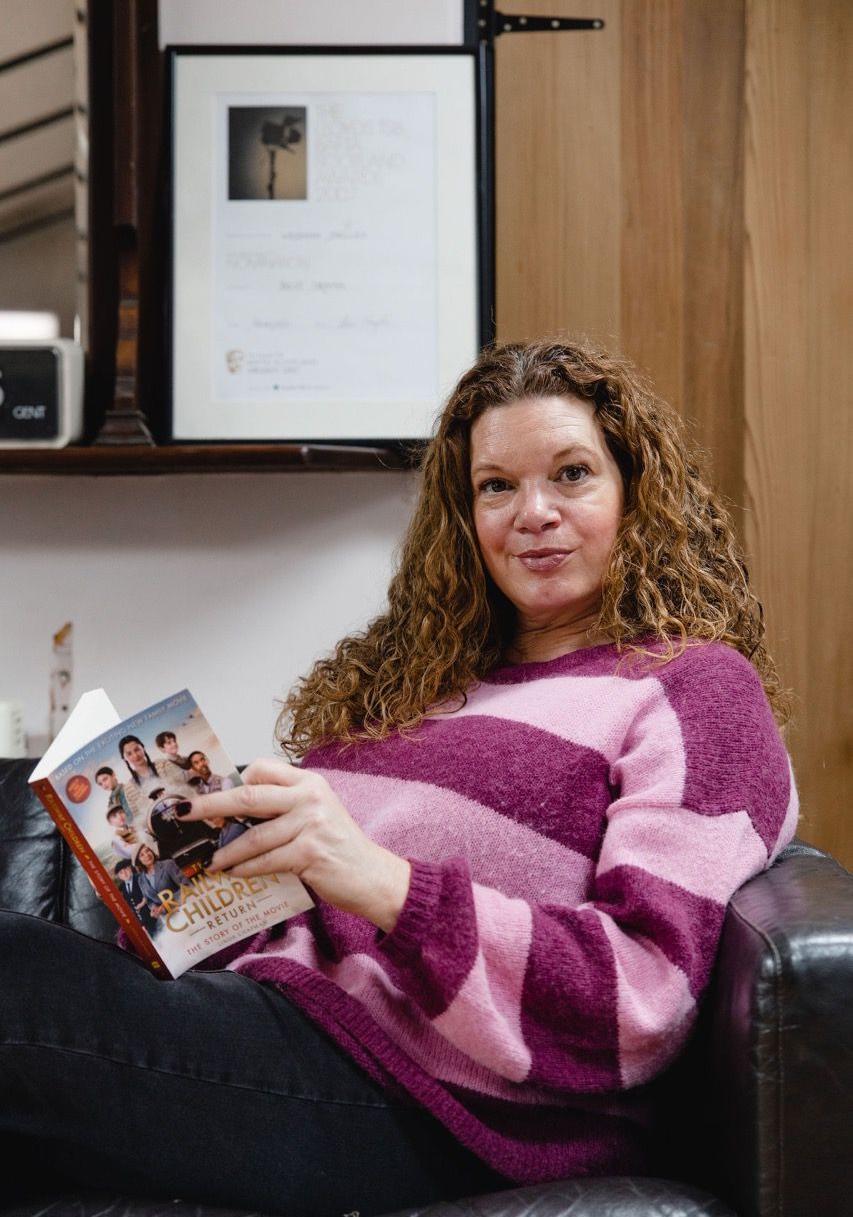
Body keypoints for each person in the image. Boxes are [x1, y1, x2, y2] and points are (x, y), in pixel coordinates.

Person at [0, 338, 797, 1217]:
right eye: (495, 485)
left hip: (438, 1104)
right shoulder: (414, 681)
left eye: (570, 474)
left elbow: (641, 1000)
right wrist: (187, 894)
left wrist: (379, 881)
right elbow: (303, 923)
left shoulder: (690, 688)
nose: (531, 512)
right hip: (271, 1026)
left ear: (635, 495)